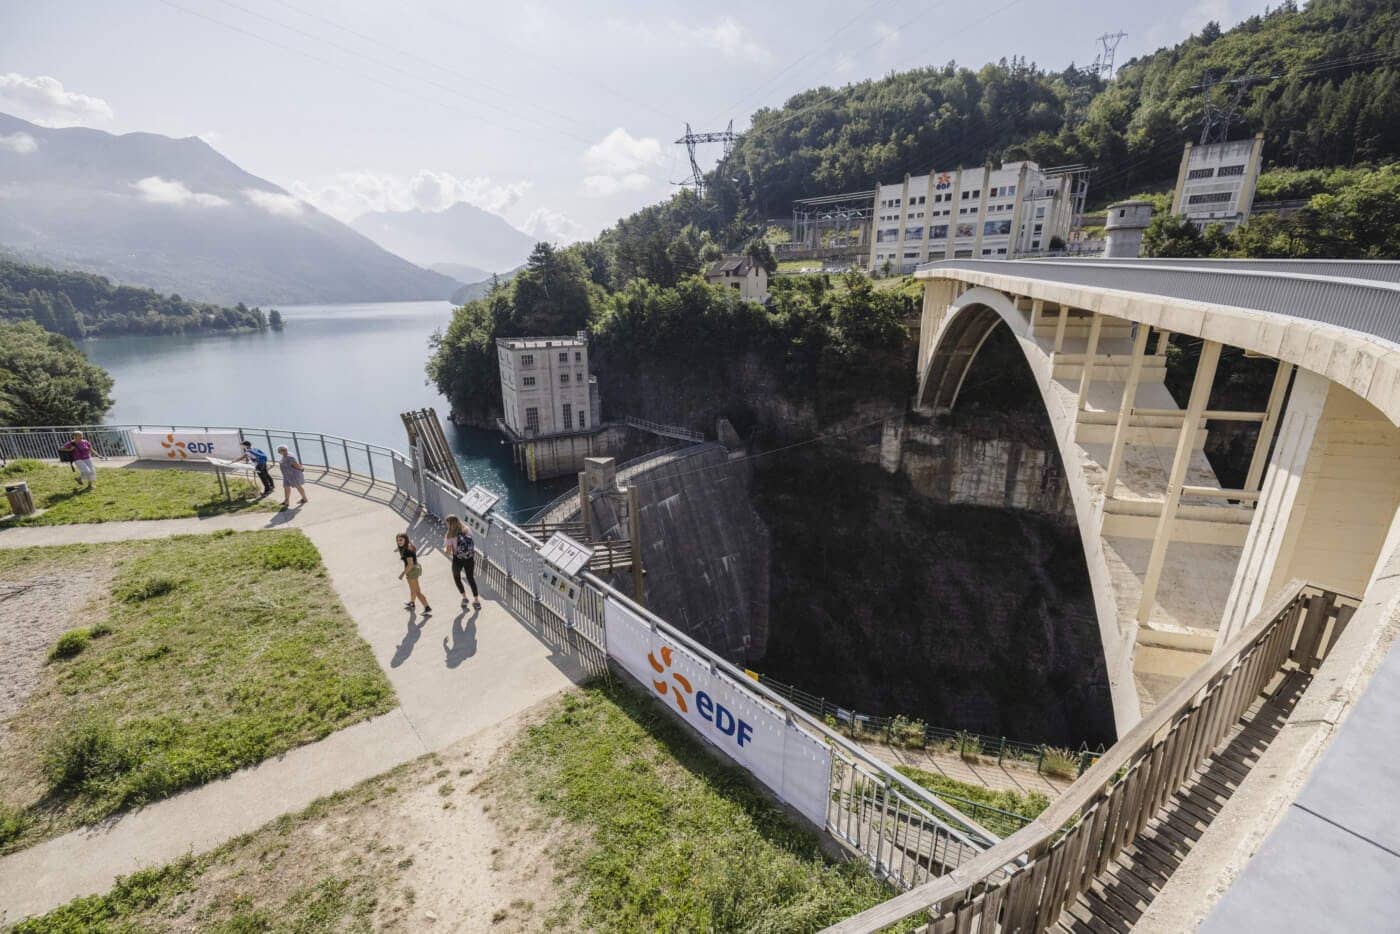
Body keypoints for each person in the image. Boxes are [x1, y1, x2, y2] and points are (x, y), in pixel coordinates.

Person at [443, 514, 481, 610]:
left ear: (451, 524)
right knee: (470, 578)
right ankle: (476, 600)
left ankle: (464, 598)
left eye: (447, 524)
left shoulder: (450, 535)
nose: (447, 526)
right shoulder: (466, 529)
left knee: (457, 577)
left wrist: (445, 549)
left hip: (458, 559)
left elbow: (448, 552)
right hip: (469, 558)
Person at [395, 533, 431, 615]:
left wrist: (402, 574)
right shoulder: (408, 545)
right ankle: (412, 603)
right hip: (415, 568)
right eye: (397, 540)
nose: (398, 542)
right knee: (412, 589)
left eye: (401, 540)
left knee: (417, 591)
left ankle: (427, 607)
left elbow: (410, 564)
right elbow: (413, 549)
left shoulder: (407, 550)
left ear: (405, 540)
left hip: (412, 570)